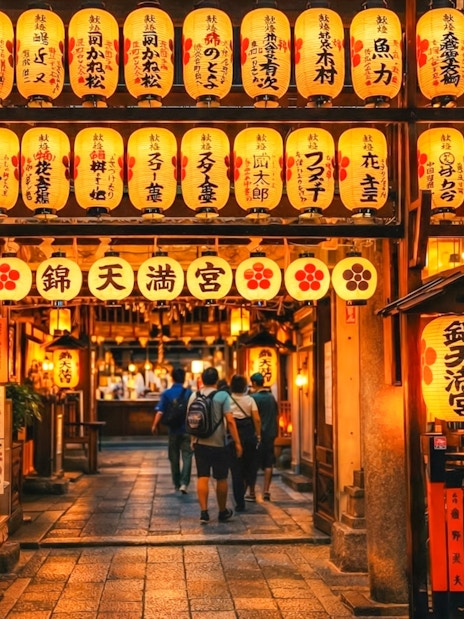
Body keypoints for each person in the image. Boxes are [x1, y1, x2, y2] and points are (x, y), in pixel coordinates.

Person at [189, 366, 242, 524]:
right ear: (217, 380)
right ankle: (222, 511)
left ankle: (204, 513)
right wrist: (238, 443)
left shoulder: (194, 396)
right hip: (219, 444)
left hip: (200, 443)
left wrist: (193, 440)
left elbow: (191, 421)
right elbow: (231, 421)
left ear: (202, 380)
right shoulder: (222, 396)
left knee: (202, 476)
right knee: (221, 478)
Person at [151, 367, 193, 494]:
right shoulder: (189, 393)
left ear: (172, 378)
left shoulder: (166, 393)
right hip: (187, 429)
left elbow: (160, 411)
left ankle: (176, 483)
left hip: (173, 430)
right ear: (184, 378)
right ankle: (184, 483)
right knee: (187, 456)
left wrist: (154, 425)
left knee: (173, 457)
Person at [228, 374, 261, 512]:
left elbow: (227, 420)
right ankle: (249, 490)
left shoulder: (228, 400)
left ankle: (239, 502)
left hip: (233, 434)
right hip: (248, 434)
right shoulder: (250, 400)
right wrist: (258, 434)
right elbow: (257, 419)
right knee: (250, 465)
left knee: (236, 470)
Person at [247, 372, 278, 502]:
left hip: (257, 435)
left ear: (254, 383)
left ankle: (252, 492)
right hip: (270, 434)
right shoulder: (271, 398)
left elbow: (252, 417)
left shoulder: (253, 398)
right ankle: (266, 491)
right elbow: (277, 414)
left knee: (253, 464)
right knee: (268, 463)